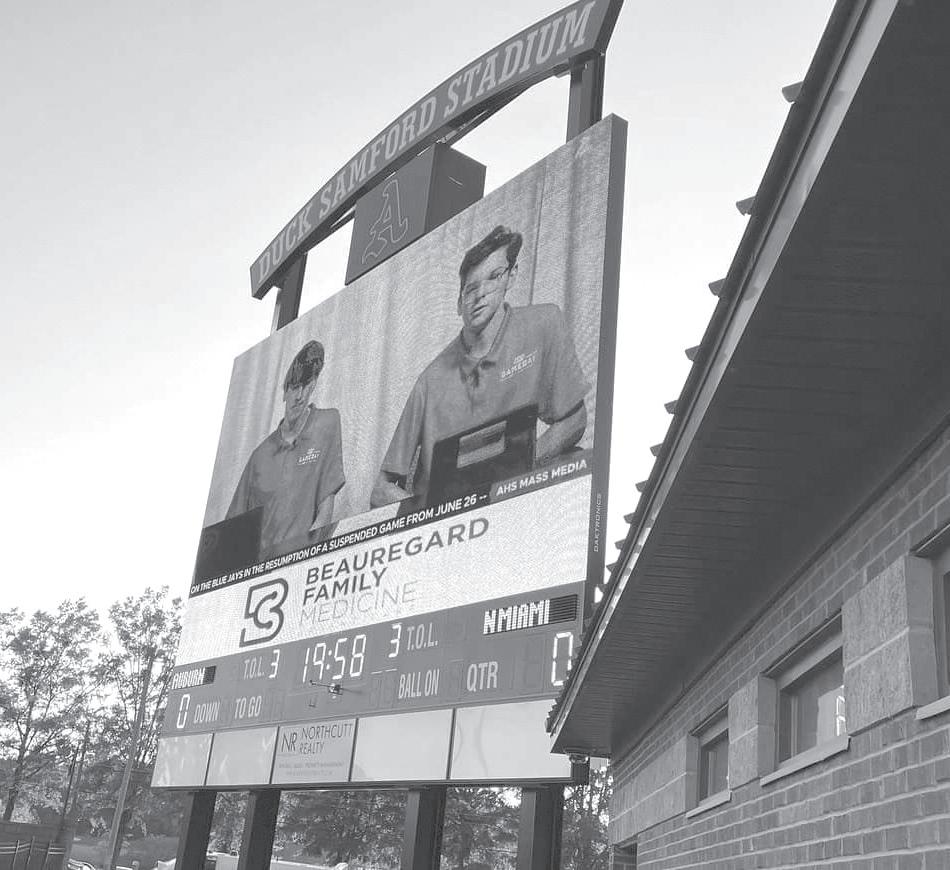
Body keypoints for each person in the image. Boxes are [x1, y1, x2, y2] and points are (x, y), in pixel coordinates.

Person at [371, 225, 587, 508]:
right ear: (458, 303)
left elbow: (574, 419)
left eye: (494, 277)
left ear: (512, 275)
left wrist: (513, 477)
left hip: (512, 507)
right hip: (445, 523)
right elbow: (380, 491)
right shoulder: (430, 380)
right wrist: (431, 514)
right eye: (471, 288)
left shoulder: (543, 324)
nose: (481, 294)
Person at [228, 340, 345, 552]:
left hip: (303, 562)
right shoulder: (259, 456)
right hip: (262, 567)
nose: (299, 396)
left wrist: (307, 557)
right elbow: (232, 531)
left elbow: (326, 509)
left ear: (313, 386)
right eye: (295, 387)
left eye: (306, 387)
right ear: (285, 391)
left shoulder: (327, 423)